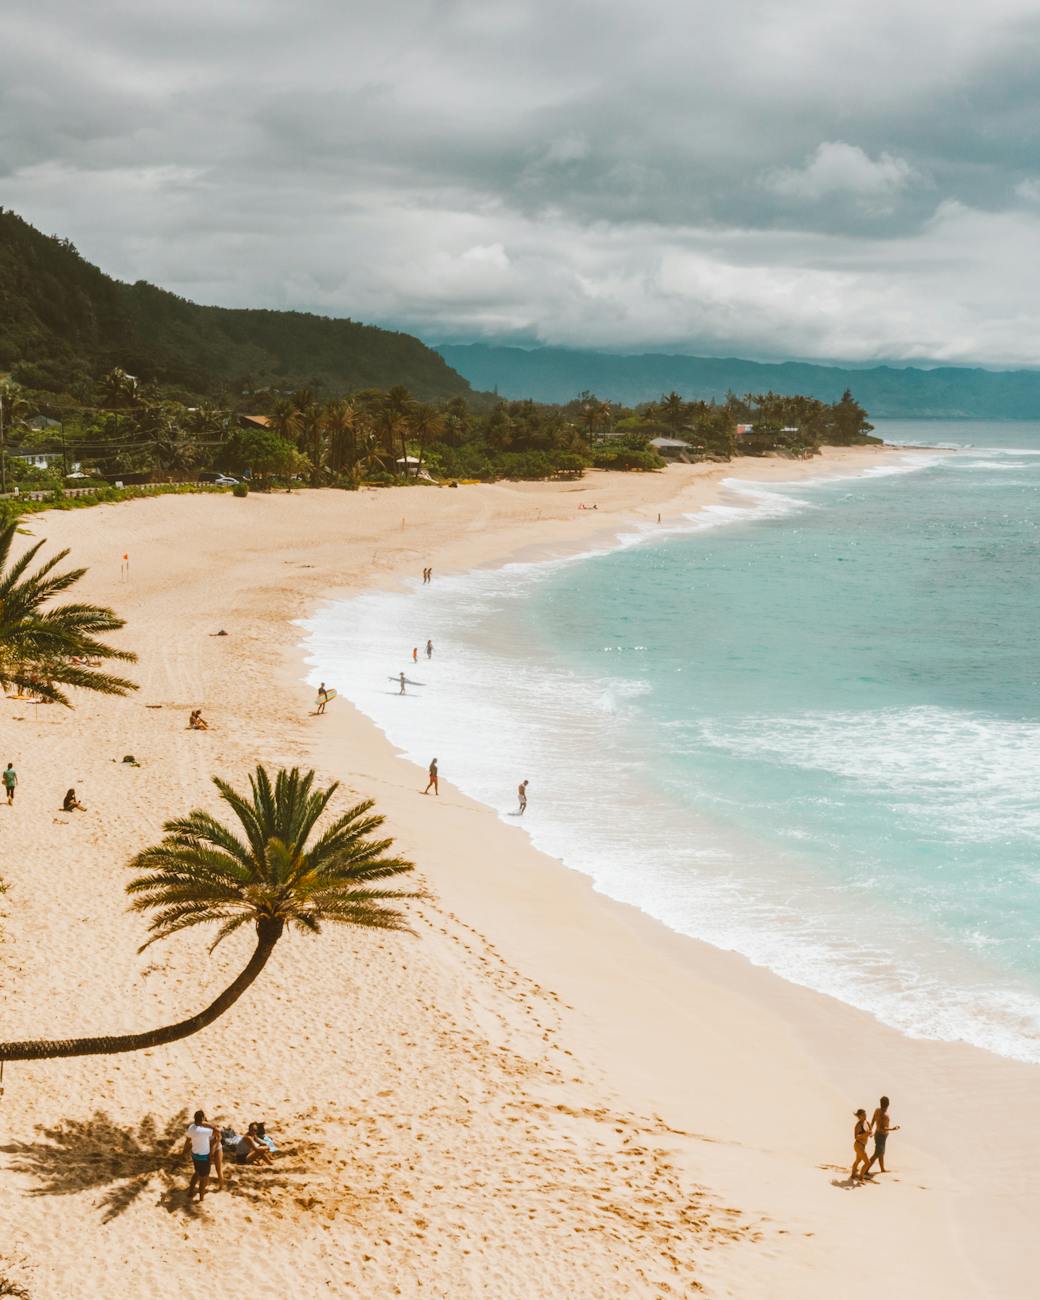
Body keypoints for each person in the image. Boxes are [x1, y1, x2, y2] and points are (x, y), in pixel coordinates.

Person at [184, 1110, 217, 1201]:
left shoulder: (191, 1127)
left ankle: (190, 1191)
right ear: (202, 1119)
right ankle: (201, 1198)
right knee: (203, 1178)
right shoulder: (204, 1131)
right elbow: (216, 1130)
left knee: (196, 1173)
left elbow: (187, 1140)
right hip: (204, 1157)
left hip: (195, 1155)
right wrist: (206, 1123)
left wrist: (184, 1151)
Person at [864, 1096, 900, 1175]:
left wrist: (871, 1129)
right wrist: (893, 1129)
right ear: (888, 1104)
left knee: (881, 1152)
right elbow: (883, 1128)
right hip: (882, 1136)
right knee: (877, 1153)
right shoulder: (885, 1115)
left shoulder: (877, 1110)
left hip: (877, 1134)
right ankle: (865, 1170)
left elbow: (873, 1119)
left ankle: (882, 1169)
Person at [851, 1108, 873, 1182]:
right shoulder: (858, 1125)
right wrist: (865, 1134)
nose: (865, 1116)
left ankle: (853, 1175)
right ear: (859, 1116)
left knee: (858, 1160)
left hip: (862, 1146)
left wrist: (870, 1133)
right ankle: (861, 1178)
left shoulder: (867, 1123)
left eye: (865, 1114)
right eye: (863, 1115)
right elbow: (856, 1137)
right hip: (858, 1145)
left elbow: (871, 1134)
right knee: (867, 1163)